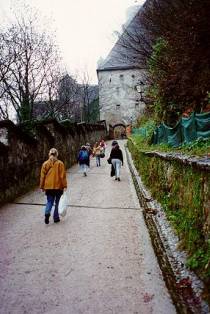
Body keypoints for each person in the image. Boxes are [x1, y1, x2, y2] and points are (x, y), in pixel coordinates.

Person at [40, 148, 67, 224]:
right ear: (57, 154)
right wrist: (65, 186)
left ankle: (47, 213)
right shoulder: (60, 163)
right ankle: (56, 218)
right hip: (58, 187)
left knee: (49, 201)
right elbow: (62, 176)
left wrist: (42, 186)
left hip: (48, 187)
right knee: (58, 203)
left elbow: (42, 177)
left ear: (49, 154)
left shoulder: (45, 164)